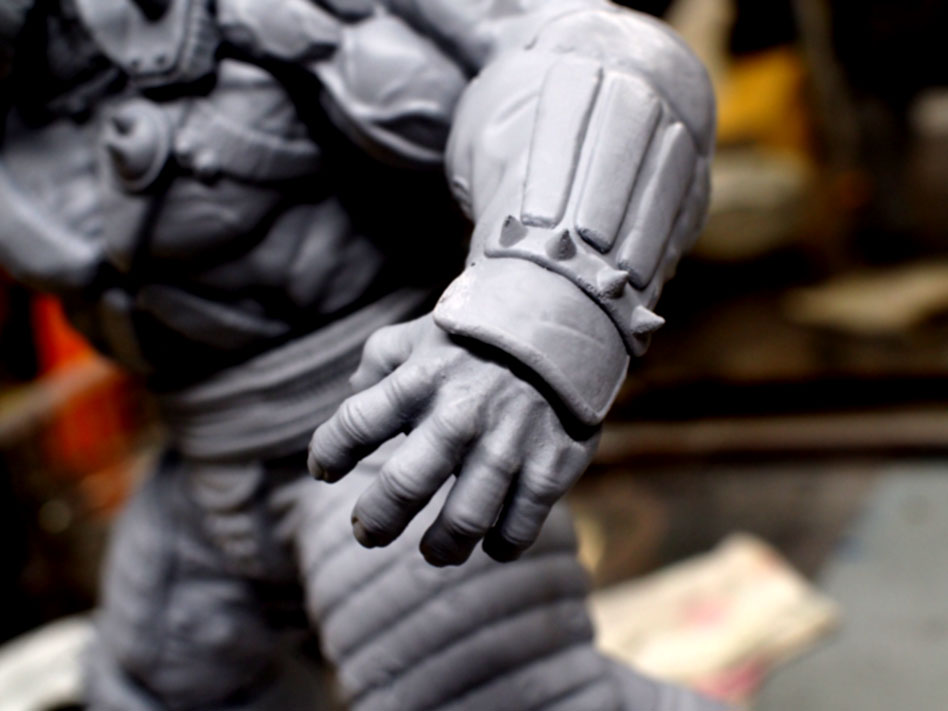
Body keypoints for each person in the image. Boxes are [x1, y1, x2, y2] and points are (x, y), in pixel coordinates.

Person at [0, 0, 718, 709]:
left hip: (389, 428)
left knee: (490, 696)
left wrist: (531, 314)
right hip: (203, 463)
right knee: (143, 693)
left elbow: (608, 56)